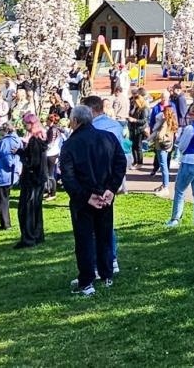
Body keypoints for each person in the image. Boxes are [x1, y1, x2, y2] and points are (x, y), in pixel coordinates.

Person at [60, 105, 126, 296]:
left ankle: (87, 280)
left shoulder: (71, 144)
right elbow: (120, 163)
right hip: (103, 196)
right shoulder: (108, 138)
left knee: (84, 240)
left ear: (75, 121)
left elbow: (68, 177)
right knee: (104, 235)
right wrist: (111, 189)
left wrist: (86, 196)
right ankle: (106, 275)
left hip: (85, 199)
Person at [83, 96, 127, 273]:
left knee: (93, 224)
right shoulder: (115, 125)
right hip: (112, 178)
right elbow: (121, 153)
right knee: (107, 221)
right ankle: (111, 258)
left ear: (91, 110)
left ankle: (97, 262)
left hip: (97, 178)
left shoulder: (93, 128)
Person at [16, 113, 49, 249]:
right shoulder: (40, 138)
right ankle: (37, 235)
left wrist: (20, 153)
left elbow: (32, 162)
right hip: (39, 178)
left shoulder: (34, 141)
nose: (25, 126)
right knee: (36, 208)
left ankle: (28, 238)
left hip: (32, 180)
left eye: (26, 124)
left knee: (26, 209)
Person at [0, 123, 24, 230]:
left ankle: (5, 224)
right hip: (9, 174)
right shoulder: (17, 140)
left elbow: (7, 156)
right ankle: (5, 223)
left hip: (3, 174)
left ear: (5, 131)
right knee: (3, 199)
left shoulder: (5, 141)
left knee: (0, 200)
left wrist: (11, 167)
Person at [151, 105, 179, 189]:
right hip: (168, 146)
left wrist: (156, 137)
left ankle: (165, 185)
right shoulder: (172, 122)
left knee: (163, 166)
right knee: (165, 165)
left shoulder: (165, 123)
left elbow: (160, 135)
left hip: (161, 146)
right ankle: (164, 184)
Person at [127, 89, 148, 169]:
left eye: (136, 102)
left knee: (138, 146)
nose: (134, 103)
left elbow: (144, 121)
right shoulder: (134, 107)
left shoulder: (144, 109)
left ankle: (140, 162)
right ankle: (135, 161)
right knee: (133, 146)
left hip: (139, 130)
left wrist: (135, 120)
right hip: (133, 128)